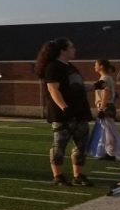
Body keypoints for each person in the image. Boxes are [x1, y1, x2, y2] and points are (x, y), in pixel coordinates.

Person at [34, 38, 92, 186]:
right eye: (71, 47)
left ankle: (77, 176)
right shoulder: (53, 67)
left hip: (80, 112)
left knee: (81, 146)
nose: (75, 49)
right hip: (63, 114)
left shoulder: (72, 67)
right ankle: (58, 176)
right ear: (63, 50)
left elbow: (77, 87)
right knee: (59, 145)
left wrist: (95, 86)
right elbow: (53, 89)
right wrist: (64, 108)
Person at [93, 59, 118, 160]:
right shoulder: (108, 78)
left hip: (106, 106)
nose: (94, 67)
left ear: (101, 66)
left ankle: (111, 153)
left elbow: (106, 93)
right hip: (108, 105)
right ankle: (109, 152)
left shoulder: (104, 78)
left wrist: (102, 109)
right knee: (107, 131)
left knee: (108, 131)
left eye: (96, 65)